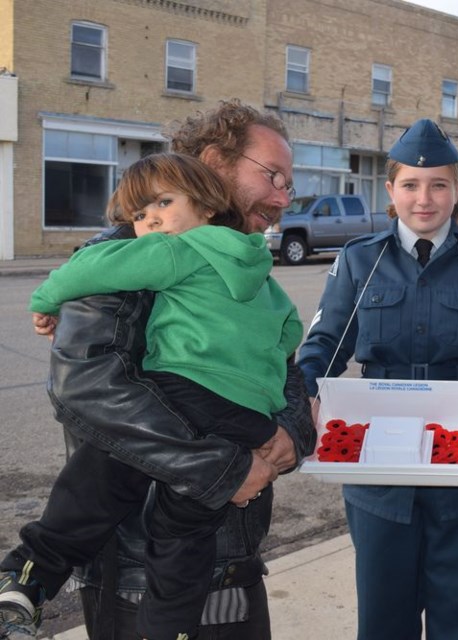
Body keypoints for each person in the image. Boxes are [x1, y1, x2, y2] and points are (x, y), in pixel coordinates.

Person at [24, 100, 316, 640]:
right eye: (272, 175)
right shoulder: (124, 258)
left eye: (288, 185)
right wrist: (226, 470)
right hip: (140, 573)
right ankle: (24, 582)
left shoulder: (247, 264)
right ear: (214, 160)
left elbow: (285, 368)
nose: (281, 198)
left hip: (236, 558)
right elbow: (88, 389)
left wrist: (294, 432)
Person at [296, 118, 458, 640]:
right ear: (391, 188)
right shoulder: (360, 259)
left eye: (439, 184)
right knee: (384, 618)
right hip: (380, 472)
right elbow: (325, 343)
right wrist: (306, 392)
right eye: (411, 185)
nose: (425, 198)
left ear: (457, 190)